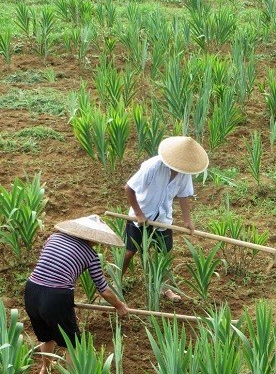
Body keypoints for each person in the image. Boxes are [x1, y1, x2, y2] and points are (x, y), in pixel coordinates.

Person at [24, 215, 129, 374]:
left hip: (31, 290)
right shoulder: (90, 255)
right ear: (93, 238)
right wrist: (119, 305)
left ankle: (44, 369)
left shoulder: (54, 238)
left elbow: (46, 264)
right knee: (72, 344)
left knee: (47, 336)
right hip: (56, 296)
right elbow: (103, 289)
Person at [121, 136, 209, 303]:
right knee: (129, 253)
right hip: (140, 216)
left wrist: (187, 220)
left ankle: (165, 288)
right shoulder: (152, 166)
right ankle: (117, 284)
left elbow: (183, 196)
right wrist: (139, 214)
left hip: (163, 219)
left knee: (165, 255)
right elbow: (129, 188)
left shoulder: (184, 173)